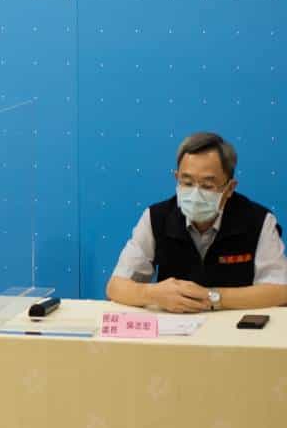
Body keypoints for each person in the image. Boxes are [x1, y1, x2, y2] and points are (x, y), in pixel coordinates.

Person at [107, 132, 287, 313]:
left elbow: (280, 291)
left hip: (236, 326)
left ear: (230, 188)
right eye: (187, 183)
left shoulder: (258, 220)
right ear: (176, 178)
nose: (195, 194)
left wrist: (213, 297)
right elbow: (116, 287)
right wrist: (152, 294)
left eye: (207, 186)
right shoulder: (156, 217)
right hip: (174, 326)